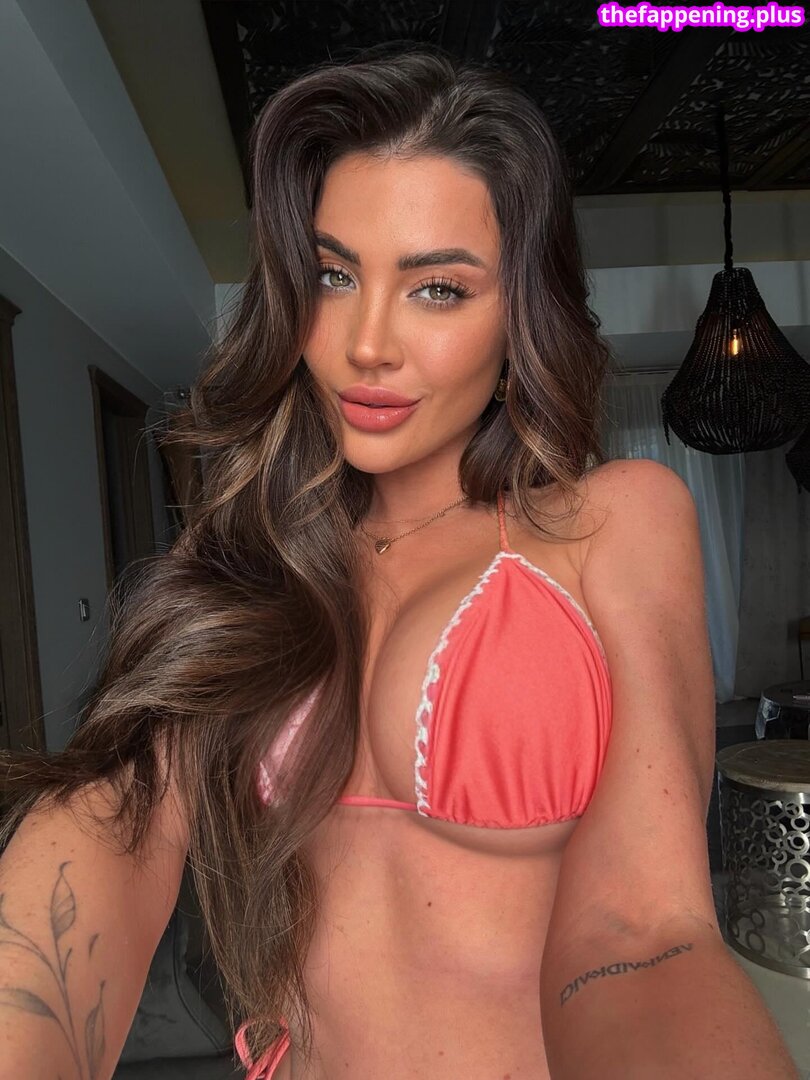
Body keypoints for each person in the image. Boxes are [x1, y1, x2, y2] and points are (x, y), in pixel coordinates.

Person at [0, 44, 799, 1080]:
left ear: (520, 313)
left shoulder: (611, 522)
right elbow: (118, 822)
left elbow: (641, 936)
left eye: (437, 289)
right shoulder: (252, 557)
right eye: (334, 275)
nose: (366, 343)